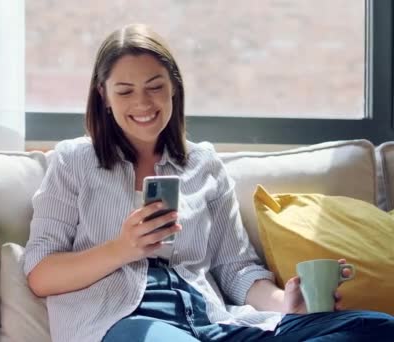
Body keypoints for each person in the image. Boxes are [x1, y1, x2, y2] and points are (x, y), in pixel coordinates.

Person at [23, 23, 394, 342]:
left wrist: (286, 303)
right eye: (124, 91)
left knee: (377, 327)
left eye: (155, 86)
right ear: (103, 95)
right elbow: (40, 274)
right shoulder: (73, 161)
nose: (142, 102)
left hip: (212, 323)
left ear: (173, 88)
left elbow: (236, 269)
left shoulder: (203, 164)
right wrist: (124, 248)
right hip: (123, 323)